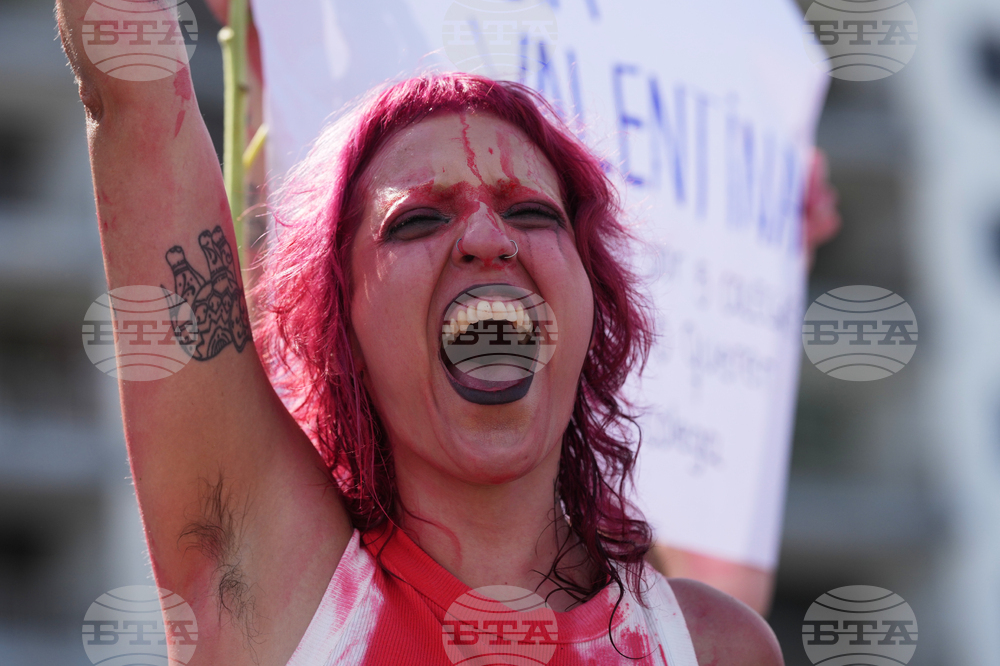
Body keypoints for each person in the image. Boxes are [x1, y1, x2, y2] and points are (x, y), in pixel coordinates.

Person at [56, 1, 785, 663]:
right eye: (418, 219)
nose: (487, 235)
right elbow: (131, 95)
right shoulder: (273, 579)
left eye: (533, 213)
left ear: (593, 306)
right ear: (339, 329)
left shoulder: (712, 646)